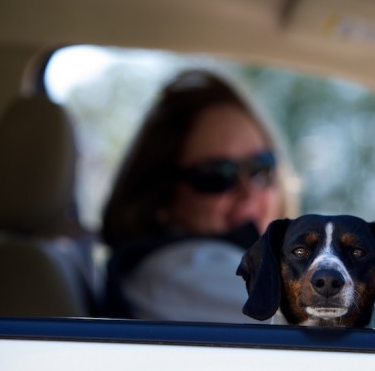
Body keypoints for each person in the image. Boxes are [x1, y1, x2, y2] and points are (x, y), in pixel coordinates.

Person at [101, 69, 297, 322]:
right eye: (218, 175)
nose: (249, 193)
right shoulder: (180, 271)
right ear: (162, 196)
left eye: (261, 167)